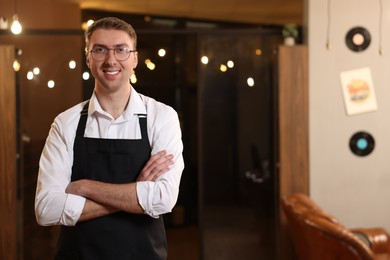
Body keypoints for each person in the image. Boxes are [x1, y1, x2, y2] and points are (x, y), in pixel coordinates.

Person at [35, 17, 184, 260]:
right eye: (100, 50)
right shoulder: (66, 123)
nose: (111, 60)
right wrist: (135, 192)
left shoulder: (162, 117)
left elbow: (162, 199)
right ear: (88, 58)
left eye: (121, 50)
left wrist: (84, 187)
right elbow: (46, 209)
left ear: (134, 58)